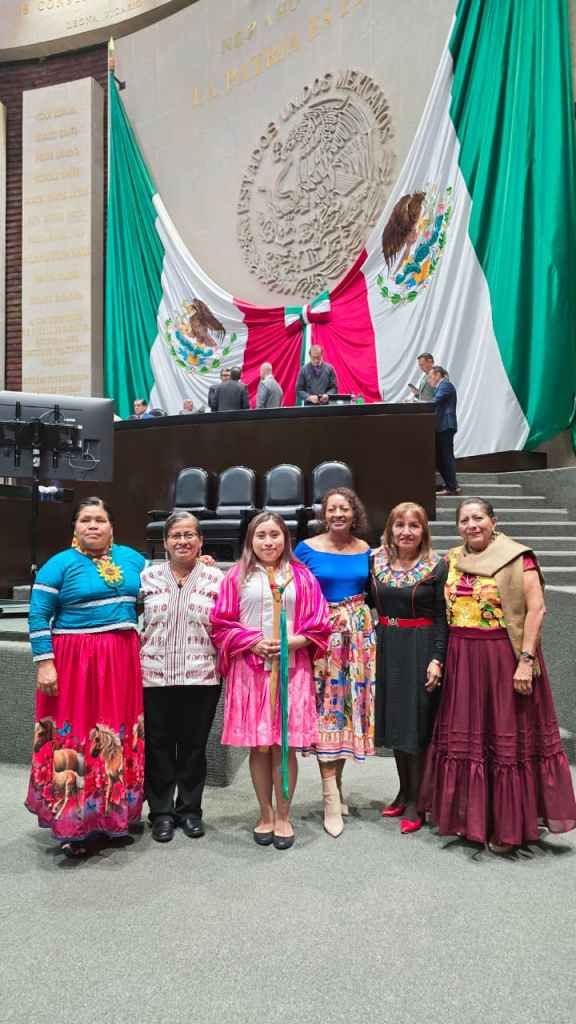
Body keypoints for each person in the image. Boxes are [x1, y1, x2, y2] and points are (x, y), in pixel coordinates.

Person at [420, 498, 576, 854]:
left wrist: (526, 661)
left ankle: (508, 825)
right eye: (464, 520)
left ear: (494, 521)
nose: (471, 525)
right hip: (463, 658)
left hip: (503, 657)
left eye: (478, 518)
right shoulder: (451, 559)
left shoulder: (518, 557)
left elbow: (536, 609)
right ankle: (472, 819)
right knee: (472, 741)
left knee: (505, 741)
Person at [26, 498, 146, 858]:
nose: (93, 525)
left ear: (112, 526)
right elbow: (38, 615)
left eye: (100, 519)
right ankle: (72, 824)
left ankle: (113, 817)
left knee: (117, 732)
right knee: (76, 734)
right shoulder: (58, 564)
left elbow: (162, 583)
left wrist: (199, 565)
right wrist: (45, 663)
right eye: (85, 520)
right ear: (75, 527)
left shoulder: (132, 559)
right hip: (75, 663)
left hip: (121, 661)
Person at [211, 512, 330, 850]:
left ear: (285, 539)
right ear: (250, 540)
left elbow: (320, 623)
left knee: (282, 745)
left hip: (292, 670)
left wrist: (295, 642)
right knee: (259, 745)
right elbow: (221, 623)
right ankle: (264, 813)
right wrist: (252, 642)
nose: (268, 542)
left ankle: (284, 815)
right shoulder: (236, 577)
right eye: (261, 535)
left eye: (274, 535)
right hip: (251, 670)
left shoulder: (302, 577)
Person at [294, 489, 375, 838]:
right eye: (332, 509)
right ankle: (329, 797)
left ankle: (337, 787)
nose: (338, 514)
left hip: (358, 641)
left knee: (345, 713)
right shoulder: (306, 549)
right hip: (322, 638)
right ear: (324, 514)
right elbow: (288, 585)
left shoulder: (366, 550)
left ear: (354, 513)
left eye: (344, 508)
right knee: (326, 713)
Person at [140, 512, 223, 843]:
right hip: (154, 675)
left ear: (201, 541)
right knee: (158, 745)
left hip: (201, 675)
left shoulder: (217, 579)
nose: (183, 541)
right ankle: (161, 812)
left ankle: (190, 811)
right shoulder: (146, 577)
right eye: (176, 535)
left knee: (193, 747)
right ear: (165, 542)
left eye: (190, 535)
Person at [370, 502, 447, 834]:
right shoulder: (375, 562)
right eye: (399, 525)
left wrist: (437, 658)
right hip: (387, 645)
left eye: (413, 525)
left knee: (416, 725)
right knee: (396, 724)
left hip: (420, 647)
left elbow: (443, 617)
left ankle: (418, 800)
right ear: (390, 529)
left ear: (423, 531)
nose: (406, 532)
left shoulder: (437, 566)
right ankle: (404, 791)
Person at [429, 364, 460, 495]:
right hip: (441, 426)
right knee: (441, 457)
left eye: (430, 376)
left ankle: (452, 487)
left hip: (445, 425)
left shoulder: (445, 385)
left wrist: (417, 403)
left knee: (446, 457)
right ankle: (450, 484)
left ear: (437, 375)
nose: (429, 379)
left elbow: (435, 401)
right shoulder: (442, 386)